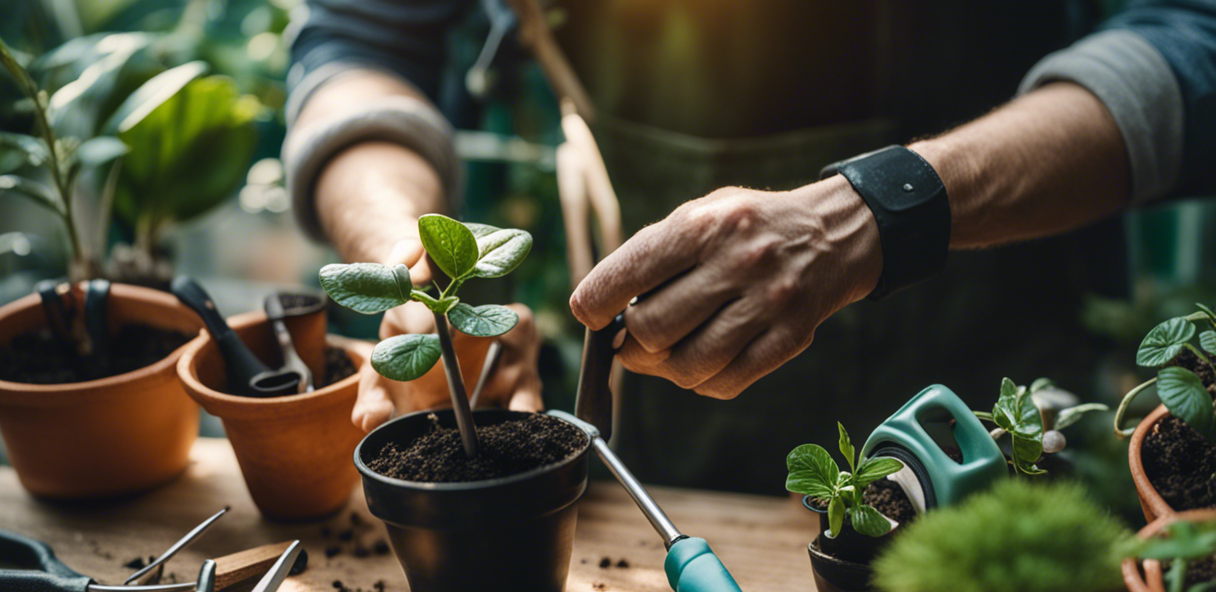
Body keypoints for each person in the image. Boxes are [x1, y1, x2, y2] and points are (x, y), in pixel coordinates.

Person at [283, 0, 1216, 489]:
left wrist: (882, 210)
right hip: (654, 447)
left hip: (986, 350)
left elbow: (1192, 38)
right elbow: (358, 44)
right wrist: (416, 268)